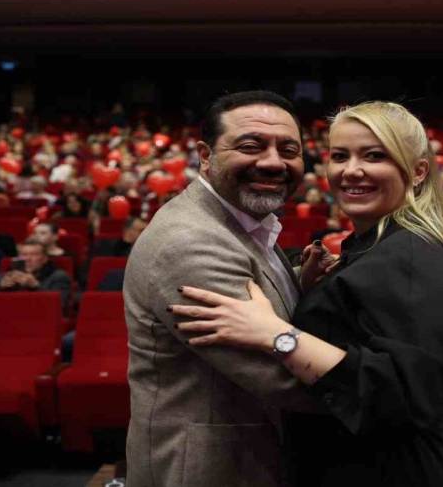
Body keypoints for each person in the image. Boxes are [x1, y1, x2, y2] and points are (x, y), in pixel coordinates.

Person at [173, 101, 443, 487]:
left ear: (418, 171)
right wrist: (310, 289)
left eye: (374, 156)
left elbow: (405, 396)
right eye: (340, 156)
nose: (351, 170)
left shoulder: (409, 255)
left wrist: (276, 335)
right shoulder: (372, 245)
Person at [122, 90, 319, 487]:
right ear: (206, 156)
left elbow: (259, 301)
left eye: (289, 150)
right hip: (211, 467)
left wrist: (301, 282)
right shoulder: (190, 242)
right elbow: (279, 375)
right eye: (251, 146)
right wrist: (388, 386)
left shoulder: (240, 220)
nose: (273, 162)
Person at [0, 240, 71, 308]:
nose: (28, 259)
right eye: (24, 254)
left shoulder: (59, 277)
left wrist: (36, 286)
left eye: (34, 254)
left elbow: (59, 305)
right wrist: (1, 288)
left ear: (45, 259)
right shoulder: (6, 275)